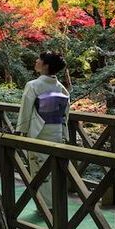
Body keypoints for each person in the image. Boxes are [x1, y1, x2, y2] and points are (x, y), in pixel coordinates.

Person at [16, 51, 70, 209]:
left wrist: (21, 131)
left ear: (46, 65)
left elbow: (25, 110)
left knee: (40, 171)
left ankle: (46, 207)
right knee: (54, 170)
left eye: (39, 59)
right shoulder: (61, 88)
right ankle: (56, 204)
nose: (36, 60)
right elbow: (65, 113)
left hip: (38, 132)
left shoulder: (33, 85)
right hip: (57, 131)